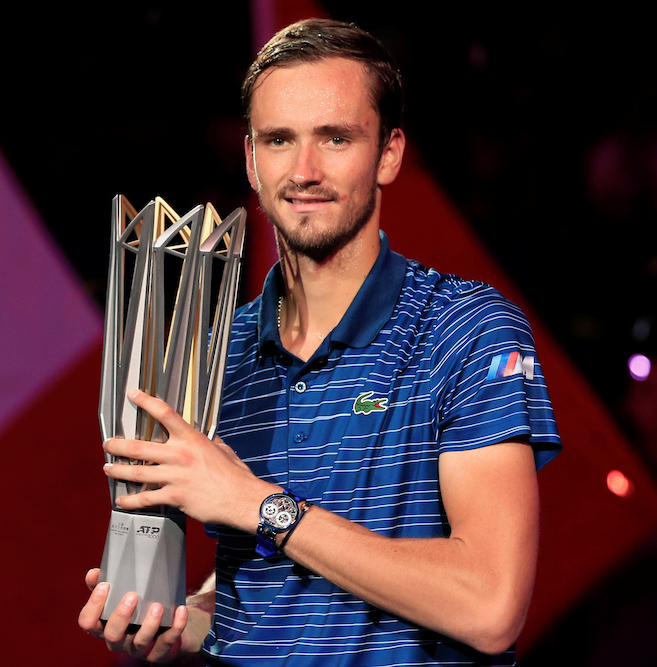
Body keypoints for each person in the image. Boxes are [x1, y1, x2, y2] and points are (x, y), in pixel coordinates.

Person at [78, 18, 562, 666]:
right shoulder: (220, 354)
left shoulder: (466, 328)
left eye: (335, 138)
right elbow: (268, 578)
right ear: (251, 159)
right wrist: (176, 622)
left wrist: (259, 503)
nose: (304, 169)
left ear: (389, 153)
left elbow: (489, 604)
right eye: (279, 139)